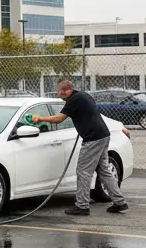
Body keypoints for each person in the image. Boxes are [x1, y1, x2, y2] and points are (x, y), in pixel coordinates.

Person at [31, 80, 128, 216]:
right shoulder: (83, 96)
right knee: (104, 170)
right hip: (103, 135)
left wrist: (40, 119)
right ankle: (120, 202)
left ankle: (82, 206)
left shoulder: (73, 100)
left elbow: (59, 119)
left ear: (67, 91)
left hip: (93, 139)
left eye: (60, 91)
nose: (58, 93)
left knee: (83, 171)